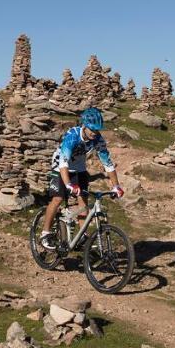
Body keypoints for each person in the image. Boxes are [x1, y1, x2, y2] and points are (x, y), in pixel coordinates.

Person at [40, 107, 123, 250]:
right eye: (92, 129)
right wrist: (68, 185)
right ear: (84, 126)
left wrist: (116, 186)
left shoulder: (98, 139)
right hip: (60, 166)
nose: (94, 133)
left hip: (79, 168)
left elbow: (107, 164)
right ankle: (45, 233)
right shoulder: (72, 135)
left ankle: (82, 236)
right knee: (58, 199)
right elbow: (63, 162)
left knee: (83, 203)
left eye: (97, 130)